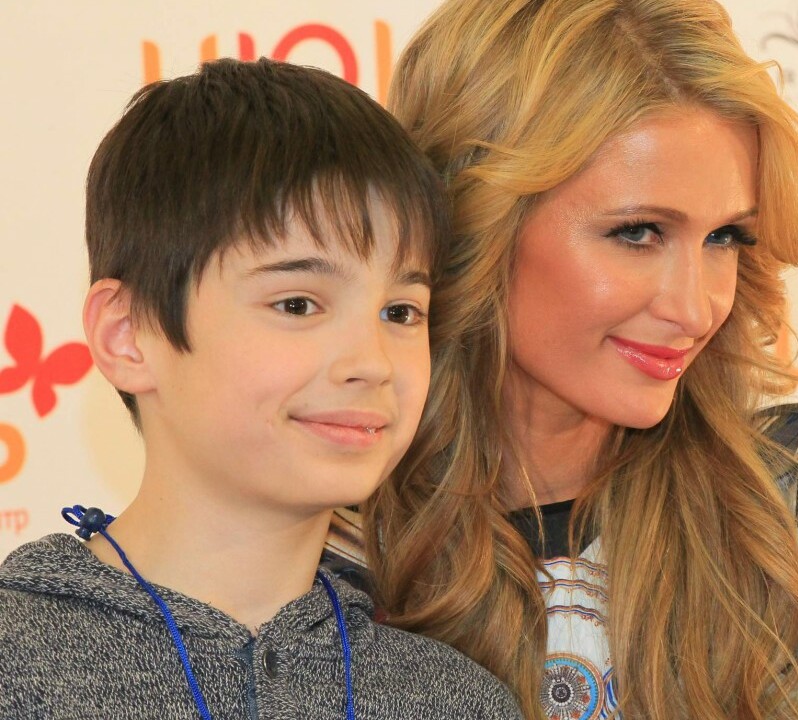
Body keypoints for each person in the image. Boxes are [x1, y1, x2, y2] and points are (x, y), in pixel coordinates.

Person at [349, 1, 798, 718]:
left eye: (724, 237)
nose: (696, 309)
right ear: (473, 217)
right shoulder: (330, 527)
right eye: (638, 233)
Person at [0, 58, 520, 719]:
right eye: (298, 304)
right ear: (128, 336)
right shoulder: (19, 664)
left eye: (401, 312)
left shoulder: (455, 701)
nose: (372, 363)